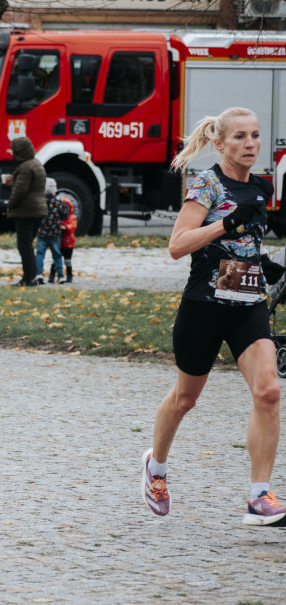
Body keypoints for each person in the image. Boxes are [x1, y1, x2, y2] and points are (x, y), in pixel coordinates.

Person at [142, 107, 286, 526]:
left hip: (247, 305)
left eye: (255, 135)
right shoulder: (207, 184)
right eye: (239, 136)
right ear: (220, 143)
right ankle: (156, 467)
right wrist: (226, 224)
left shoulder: (259, 187)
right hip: (204, 307)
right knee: (185, 398)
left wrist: (262, 263)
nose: (250, 143)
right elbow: (177, 245)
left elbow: (244, 241)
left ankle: (259, 497)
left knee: (268, 392)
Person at [4, 137, 46, 286]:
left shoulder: (25, 168)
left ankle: (29, 278)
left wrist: (10, 205)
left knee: (24, 246)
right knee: (28, 245)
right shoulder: (37, 164)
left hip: (27, 211)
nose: (12, 153)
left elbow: (20, 192)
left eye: (14, 151)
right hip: (38, 209)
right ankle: (31, 276)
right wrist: (14, 181)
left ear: (20, 152)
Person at [34, 177, 69, 285]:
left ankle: (39, 274)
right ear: (54, 190)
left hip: (42, 233)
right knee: (57, 255)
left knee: (40, 254)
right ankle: (61, 276)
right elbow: (65, 215)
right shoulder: (59, 203)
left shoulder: (39, 203)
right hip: (55, 234)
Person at [52, 193, 77, 283]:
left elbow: (73, 226)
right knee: (55, 260)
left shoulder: (72, 218)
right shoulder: (58, 218)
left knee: (68, 261)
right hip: (59, 243)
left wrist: (65, 227)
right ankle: (52, 275)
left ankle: (69, 276)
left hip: (69, 244)